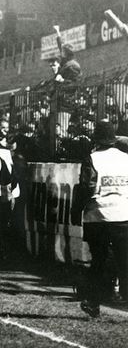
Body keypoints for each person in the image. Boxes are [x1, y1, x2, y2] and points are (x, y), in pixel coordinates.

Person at [79, 120, 128, 318]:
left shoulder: (92, 158)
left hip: (97, 215)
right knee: (124, 259)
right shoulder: (126, 158)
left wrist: (79, 208)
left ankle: (93, 301)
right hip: (123, 214)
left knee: (98, 260)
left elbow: (86, 186)